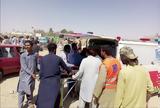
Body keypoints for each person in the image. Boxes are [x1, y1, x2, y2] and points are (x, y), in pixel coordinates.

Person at [36, 43, 71, 108]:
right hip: (54, 83)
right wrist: (71, 71)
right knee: (55, 100)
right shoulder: (58, 58)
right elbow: (66, 68)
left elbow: (41, 72)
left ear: (48, 49)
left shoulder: (42, 59)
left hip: (44, 83)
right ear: (55, 50)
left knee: (42, 100)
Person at [17, 40, 37, 108]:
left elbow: (37, 65)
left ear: (32, 46)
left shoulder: (35, 54)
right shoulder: (23, 55)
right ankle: (20, 106)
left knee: (30, 91)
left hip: (31, 77)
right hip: (24, 77)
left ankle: (30, 104)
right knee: (21, 92)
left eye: (28, 45)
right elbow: (24, 66)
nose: (27, 46)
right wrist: (32, 74)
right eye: (26, 45)